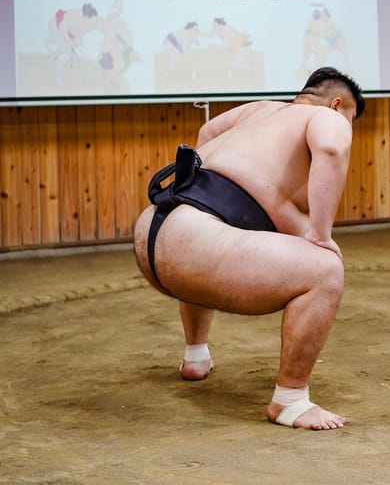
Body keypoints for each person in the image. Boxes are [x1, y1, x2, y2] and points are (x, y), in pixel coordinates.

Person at [132, 67, 365, 430]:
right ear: (337, 104)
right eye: (351, 121)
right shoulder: (327, 118)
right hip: (194, 243)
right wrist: (319, 235)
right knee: (326, 269)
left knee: (219, 230)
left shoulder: (258, 109)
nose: (348, 129)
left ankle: (196, 356)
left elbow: (206, 133)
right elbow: (333, 148)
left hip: (154, 227)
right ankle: (291, 401)